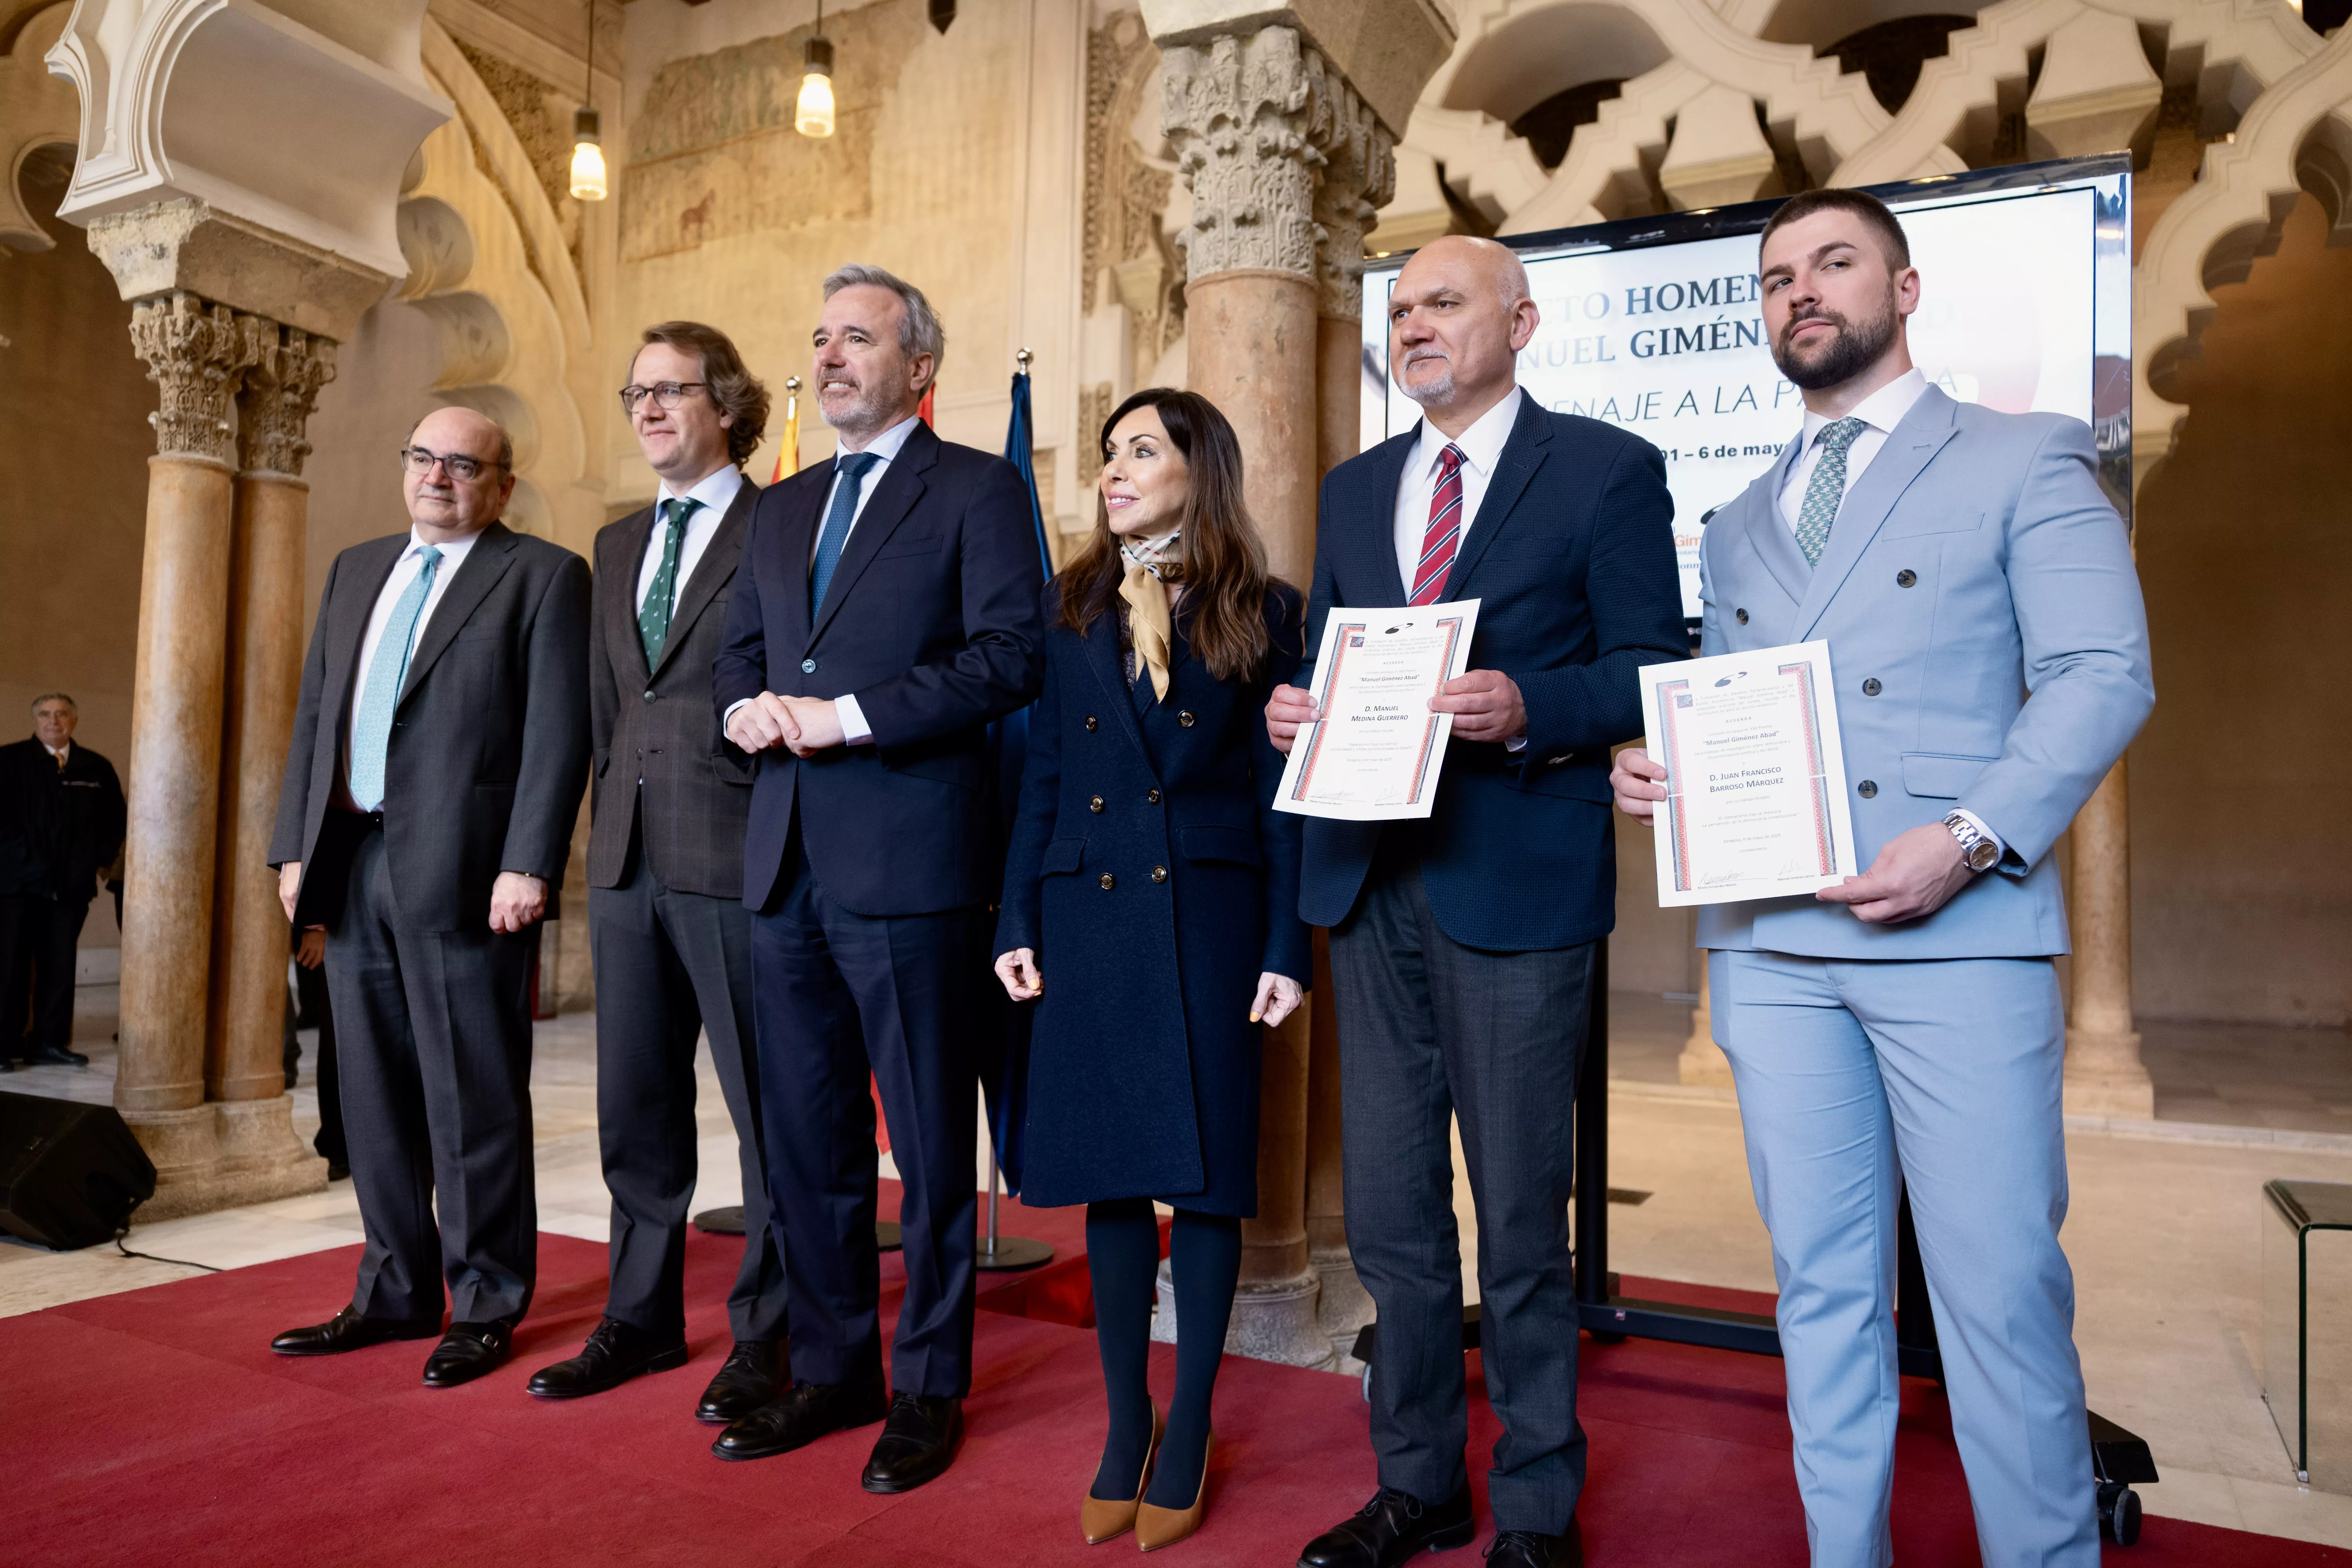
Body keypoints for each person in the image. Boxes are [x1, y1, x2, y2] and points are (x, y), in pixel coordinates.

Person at [1612, 187, 2153, 1567]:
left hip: (1958, 941)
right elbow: (1746, 713)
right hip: (1774, 954)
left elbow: (2104, 675)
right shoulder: (1734, 519)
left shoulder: (2029, 456)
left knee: (1999, 1297)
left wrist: (1971, 837)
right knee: (1820, 1297)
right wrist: (1661, 774)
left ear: (1903, 290)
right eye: (1778, 274)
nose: (1802, 290)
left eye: (1834, 263)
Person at [1265, 236, 1685, 1568]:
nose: (1416, 327)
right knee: (1393, 1219)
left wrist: (1530, 708)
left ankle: (1541, 1508)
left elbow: (1650, 663)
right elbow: (1340, 659)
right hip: (1370, 874)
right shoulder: (1354, 489)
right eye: (1403, 310)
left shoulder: (1607, 469)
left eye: (1445, 304)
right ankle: (1419, 1484)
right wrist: (1298, 714)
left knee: (1518, 1222)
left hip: (1516, 872)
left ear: (1524, 321)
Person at [709, 264, 1045, 1490]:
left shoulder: (978, 489)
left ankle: (930, 1384)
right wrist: (746, 707)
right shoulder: (782, 506)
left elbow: (1011, 660)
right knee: (805, 1143)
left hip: (911, 862)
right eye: (820, 337)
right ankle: (833, 1365)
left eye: (859, 337)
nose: (833, 355)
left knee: (929, 1151)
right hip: (783, 863)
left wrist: (842, 715)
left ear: (918, 366)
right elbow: (742, 657)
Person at [993, 388, 1308, 1551]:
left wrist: (1287, 944)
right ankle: (1128, 1422)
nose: (1114, 470)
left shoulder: (1266, 609)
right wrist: (1013, 916)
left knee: (1212, 1177)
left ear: (1198, 470)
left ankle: (1193, 1429)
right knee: (1113, 1176)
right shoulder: (1069, 603)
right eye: (1109, 452)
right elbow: (1038, 777)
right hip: (1085, 909)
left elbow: (1285, 795)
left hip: (1213, 914)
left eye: (1140, 450)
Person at [265, 406, 590, 1389]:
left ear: (500, 484)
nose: (438, 476)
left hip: (469, 870)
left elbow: (557, 731)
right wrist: (294, 848)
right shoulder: (358, 568)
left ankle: (487, 1299)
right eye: (423, 457)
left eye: (463, 463)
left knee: (472, 1094)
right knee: (367, 1094)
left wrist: (529, 861)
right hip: (351, 862)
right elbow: (317, 708)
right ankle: (395, 1289)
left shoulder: (540, 574)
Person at [524, 321, 791, 1426]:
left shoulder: (786, 522)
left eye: (671, 391)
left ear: (726, 405)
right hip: (628, 865)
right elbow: (602, 710)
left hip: (739, 856)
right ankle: (639, 1319)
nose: (647, 410)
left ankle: (773, 1337)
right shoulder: (617, 542)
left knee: (771, 1118)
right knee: (636, 1112)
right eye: (636, 392)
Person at [1, 693, 125, 1068]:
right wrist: (29, 865)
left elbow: (115, 823)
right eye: (44, 714)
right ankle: (5, 1044)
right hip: (16, 888)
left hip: (70, 890)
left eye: (61, 714)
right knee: (10, 967)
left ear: (74, 721)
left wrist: (91, 863)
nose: (53, 721)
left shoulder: (96, 768)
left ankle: (49, 1043)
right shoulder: (8, 762)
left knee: (59, 967)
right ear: (35, 720)